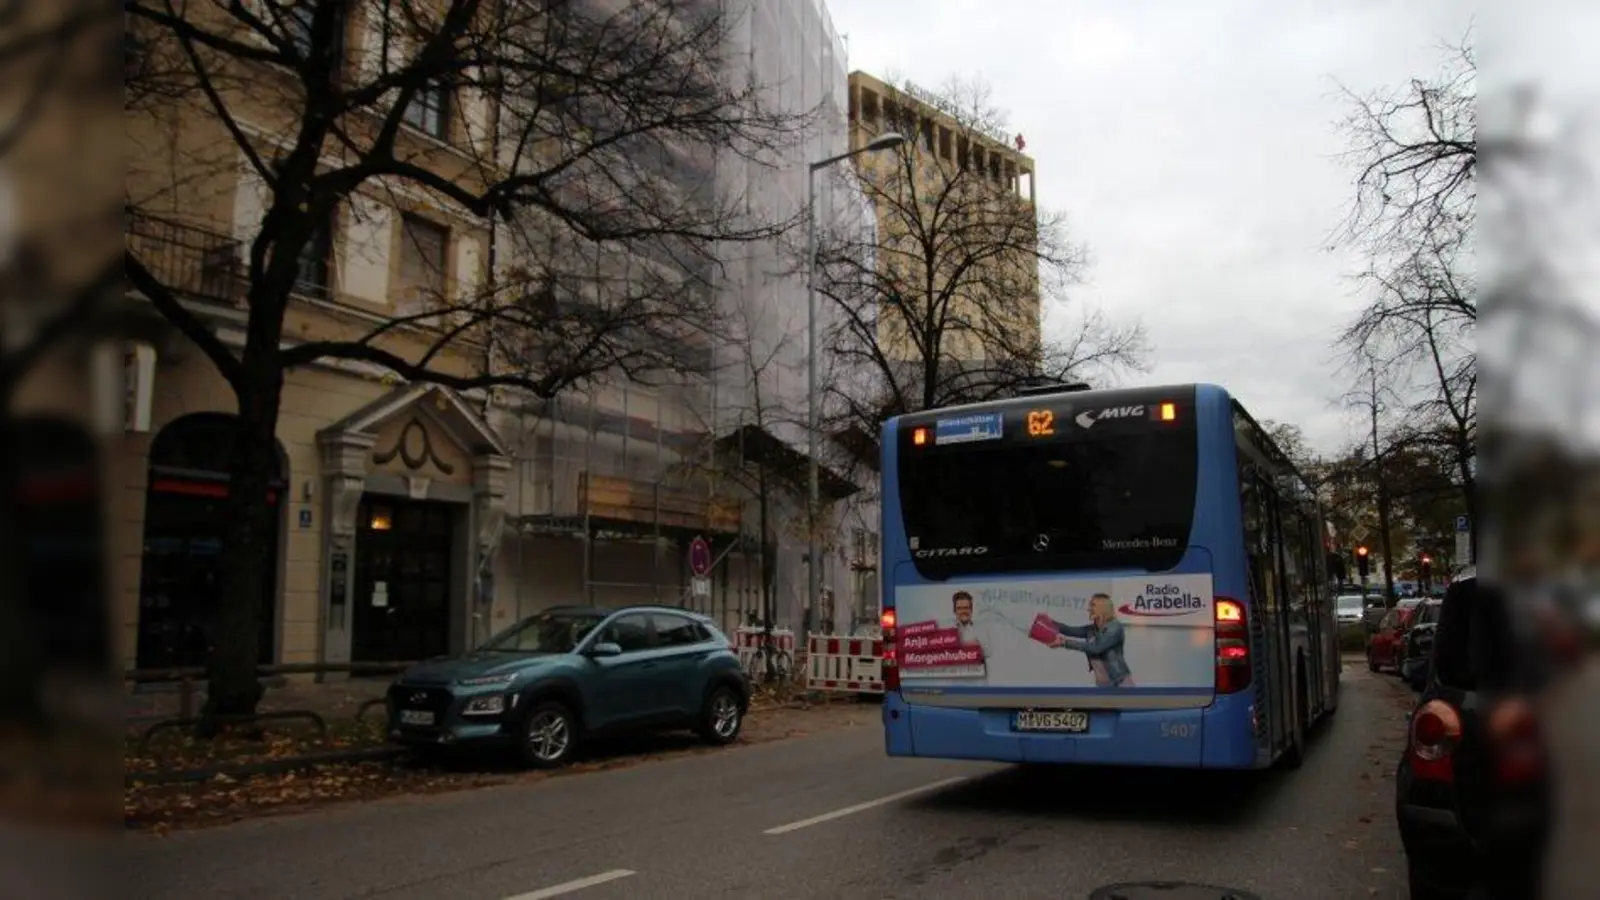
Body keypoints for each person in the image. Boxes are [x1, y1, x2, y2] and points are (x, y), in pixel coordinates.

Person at [1049, 593, 1135, 687]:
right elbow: (1070, 630)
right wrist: (1051, 622)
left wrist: (1064, 642)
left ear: (1103, 608)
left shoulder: (1114, 628)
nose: (1089, 609)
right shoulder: (1092, 629)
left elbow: (1096, 647)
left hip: (1119, 683)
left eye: (1093, 605)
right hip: (1102, 683)